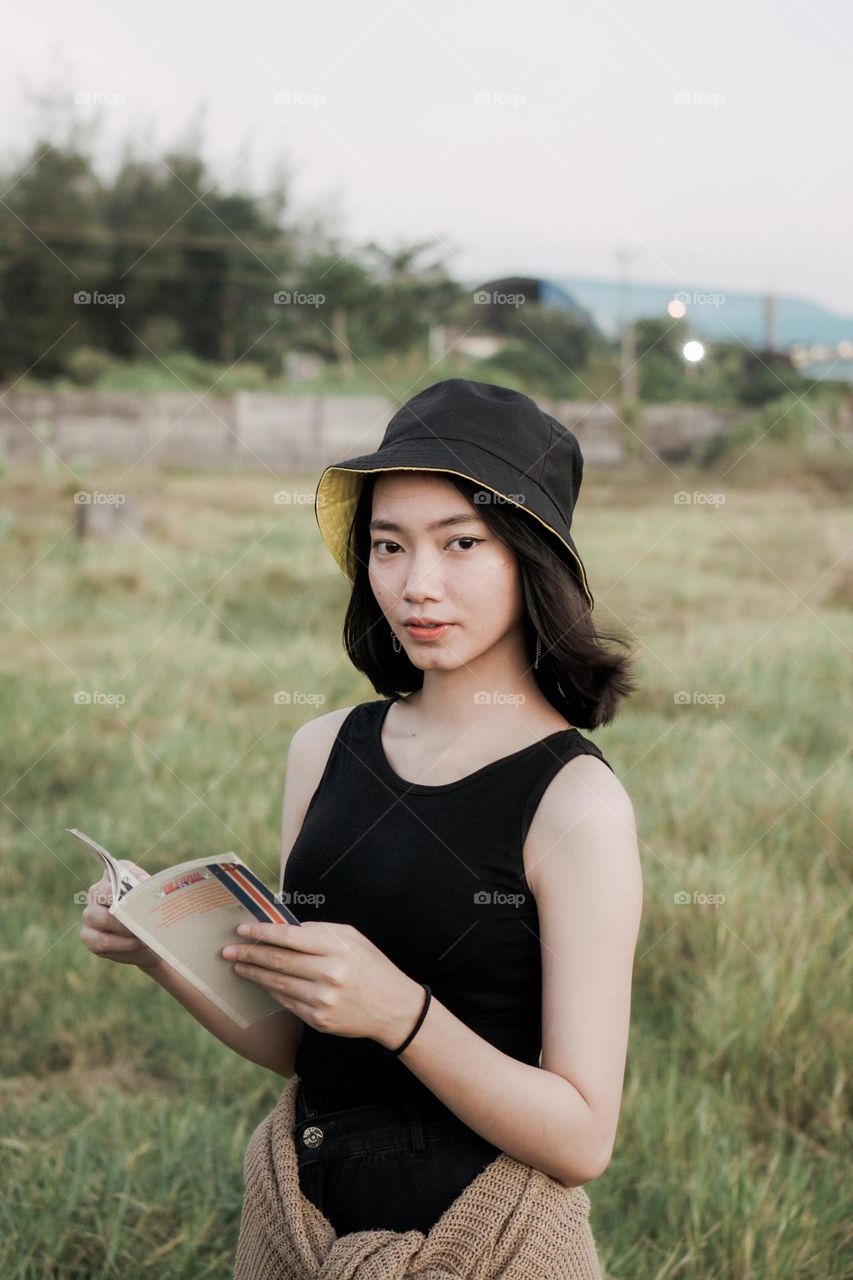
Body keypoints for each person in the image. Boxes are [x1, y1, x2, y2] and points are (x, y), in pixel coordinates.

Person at [80, 377, 643, 1267]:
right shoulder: (323, 748)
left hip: (482, 1240)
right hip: (298, 1221)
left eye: (461, 543)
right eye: (388, 546)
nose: (417, 585)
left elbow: (581, 1140)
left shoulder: (575, 804)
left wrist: (401, 1014)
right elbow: (301, 1044)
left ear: (529, 558)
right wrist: (158, 947)